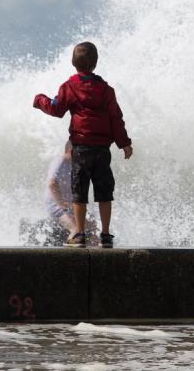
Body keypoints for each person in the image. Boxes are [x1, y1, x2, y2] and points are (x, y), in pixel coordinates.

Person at [33, 41, 133, 248]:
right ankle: (105, 235)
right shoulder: (106, 90)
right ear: (95, 63)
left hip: (81, 148)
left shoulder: (69, 87)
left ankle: (79, 234)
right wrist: (124, 143)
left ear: (73, 63)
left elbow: (56, 108)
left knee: (80, 193)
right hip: (102, 149)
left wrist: (39, 100)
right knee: (104, 192)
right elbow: (116, 118)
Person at [43, 141, 94, 243]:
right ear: (71, 151)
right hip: (56, 206)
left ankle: (96, 253)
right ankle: (72, 256)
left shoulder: (74, 164)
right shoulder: (59, 162)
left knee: (93, 227)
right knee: (76, 230)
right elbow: (51, 183)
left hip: (70, 205)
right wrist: (61, 203)